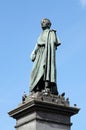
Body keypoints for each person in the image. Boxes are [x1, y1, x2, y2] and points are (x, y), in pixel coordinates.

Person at [30, 18, 61, 94]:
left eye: (43, 22)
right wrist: (33, 52)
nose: (41, 23)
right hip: (39, 55)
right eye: (41, 22)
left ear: (48, 24)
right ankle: (36, 87)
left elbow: (53, 44)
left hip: (46, 54)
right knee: (34, 71)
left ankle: (46, 86)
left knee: (46, 69)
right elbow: (37, 44)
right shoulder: (40, 35)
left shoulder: (51, 33)